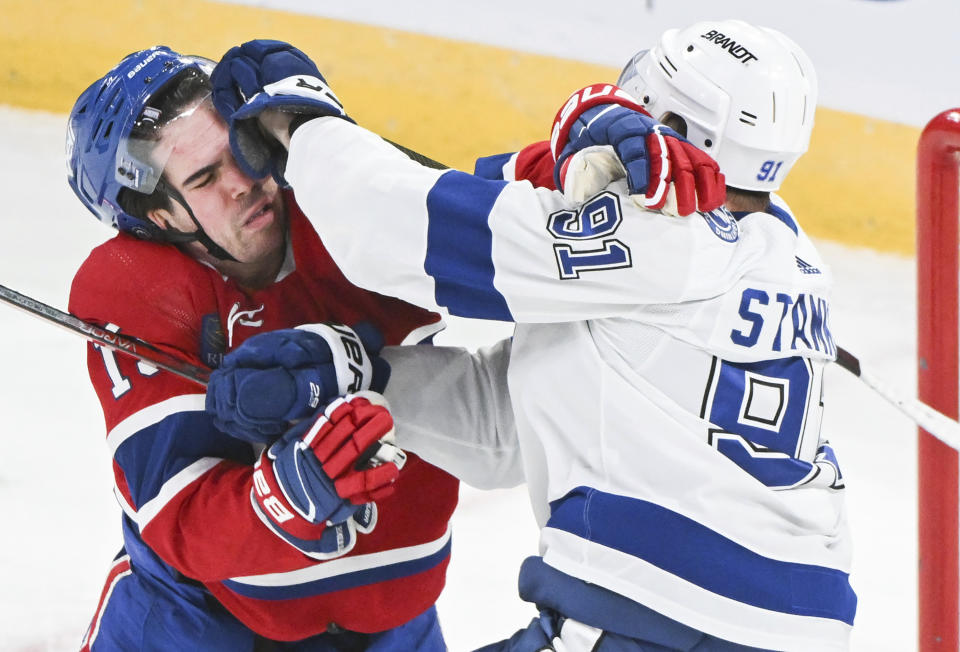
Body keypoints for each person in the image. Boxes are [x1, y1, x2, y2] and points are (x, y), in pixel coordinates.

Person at [206, 21, 853, 652]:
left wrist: (301, 122)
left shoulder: (660, 235)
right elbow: (512, 429)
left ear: (681, 129)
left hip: (671, 613)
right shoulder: (788, 250)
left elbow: (396, 228)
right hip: (784, 615)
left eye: (644, 98)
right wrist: (368, 378)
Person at [64, 45, 717, 650]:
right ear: (159, 218)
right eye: (205, 177)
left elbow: (501, 210)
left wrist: (585, 160)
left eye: (240, 149)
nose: (244, 181)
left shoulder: (346, 208)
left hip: (394, 620)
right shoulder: (139, 291)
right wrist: (286, 494)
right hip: (198, 625)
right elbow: (181, 522)